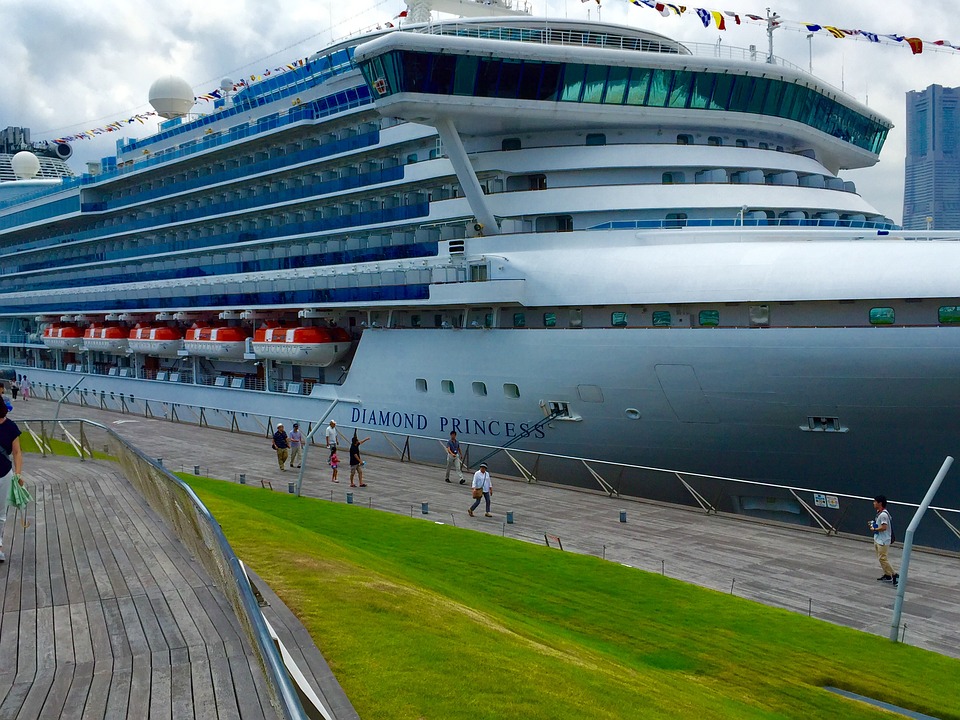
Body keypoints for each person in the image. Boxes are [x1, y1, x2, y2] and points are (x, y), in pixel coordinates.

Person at [0, 402, 24, 562]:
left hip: (4, 474)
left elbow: (16, 452)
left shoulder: (10, 427)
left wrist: (18, 473)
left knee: (1, 513)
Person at [870, 495, 899, 586]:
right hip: (878, 539)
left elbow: (884, 527)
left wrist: (874, 529)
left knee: (883, 558)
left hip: (883, 540)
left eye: (875, 502)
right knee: (881, 558)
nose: (873, 503)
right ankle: (887, 575)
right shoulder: (879, 513)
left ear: (880, 503)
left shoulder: (883, 515)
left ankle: (895, 575)